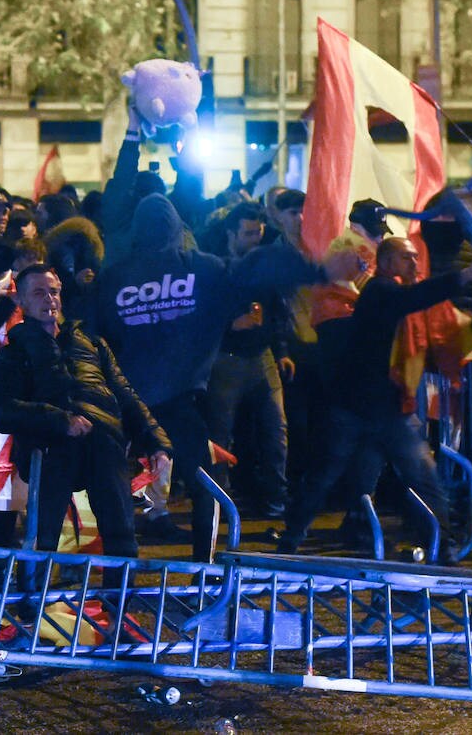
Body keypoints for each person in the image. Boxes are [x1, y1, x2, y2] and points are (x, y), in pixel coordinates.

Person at [93, 193, 358, 562]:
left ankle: (119, 569)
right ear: (176, 230)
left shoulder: (113, 278)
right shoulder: (200, 269)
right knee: (207, 484)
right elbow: (260, 265)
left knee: (113, 486)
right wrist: (321, 272)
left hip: (123, 400)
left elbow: (92, 330)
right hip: (179, 402)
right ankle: (206, 561)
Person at [278, 238, 472, 563]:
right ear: (388, 261)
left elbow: (444, 335)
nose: (415, 264)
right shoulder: (381, 291)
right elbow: (415, 299)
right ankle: (441, 547)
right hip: (372, 408)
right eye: (408, 258)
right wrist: (462, 278)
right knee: (416, 476)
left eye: (416, 257)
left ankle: (299, 539)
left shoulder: (391, 295)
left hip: (373, 405)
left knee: (348, 477)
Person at [0, 266, 172, 564]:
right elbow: (2, 410)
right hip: (49, 448)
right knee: (43, 538)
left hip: (104, 443)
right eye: (39, 293)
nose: (49, 299)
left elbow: (125, 395)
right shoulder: (14, 353)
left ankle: (118, 601)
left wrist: (156, 441)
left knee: (121, 534)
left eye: (54, 291)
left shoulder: (91, 343)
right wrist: (59, 420)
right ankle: (33, 600)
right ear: (21, 301)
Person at [204, 202, 295, 518]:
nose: (255, 239)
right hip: (225, 359)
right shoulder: (215, 266)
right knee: (220, 435)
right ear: (231, 233)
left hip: (261, 356)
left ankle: (275, 497)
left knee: (275, 429)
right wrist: (230, 324)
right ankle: (217, 501)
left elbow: (279, 310)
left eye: (258, 232)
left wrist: (281, 350)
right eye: (248, 233)